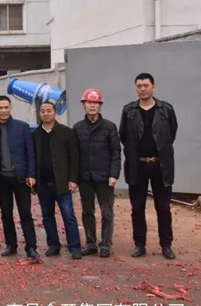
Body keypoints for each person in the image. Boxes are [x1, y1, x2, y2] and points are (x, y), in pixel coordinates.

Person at [120, 72, 178, 260]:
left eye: (146, 85)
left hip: (161, 165)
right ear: (136, 88)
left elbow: (171, 134)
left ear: (154, 87)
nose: (142, 89)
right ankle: (140, 244)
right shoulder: (128, 111)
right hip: (137, 165)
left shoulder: (166, 110)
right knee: (137, 207)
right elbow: (124, 136)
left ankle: (166, 245)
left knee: (163, 207)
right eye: (139, 86)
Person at [0, 96, 40, 260]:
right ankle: (11, 244)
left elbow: (30, 152)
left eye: (6, 107)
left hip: (21, 178)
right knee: (6, 214)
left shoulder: (22, 127)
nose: (3, 111)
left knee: (25, 213)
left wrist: (31, 174)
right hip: (2, 179)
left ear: (10, 108)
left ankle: (31, 247)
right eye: (0, 108)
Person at [72, 89, 121, 258]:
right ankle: (91, 243)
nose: (92, 106)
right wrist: (74, 178)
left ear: (100, 106)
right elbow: (74, 155)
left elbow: (116, 152)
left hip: (104, 178)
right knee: (87, 212)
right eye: (89, 103)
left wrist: (114, 174)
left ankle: (106, 244)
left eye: (95, 103)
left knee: (107, 212)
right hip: (85, 177)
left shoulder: (109, 127)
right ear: (84, 105)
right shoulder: (78, 128)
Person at [33, 102, 82, 259]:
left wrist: (73, 179)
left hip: (62, 182)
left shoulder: (66, 132)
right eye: (42, 111)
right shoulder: (35, 135)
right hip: (43, 183)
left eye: (49, 111)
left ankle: (75, 247)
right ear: (39, 114)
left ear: (55, 112)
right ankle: (53, 245)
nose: (45, 114)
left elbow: (74, 157)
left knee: (68, 215)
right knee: (47, 216)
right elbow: (32, 158)